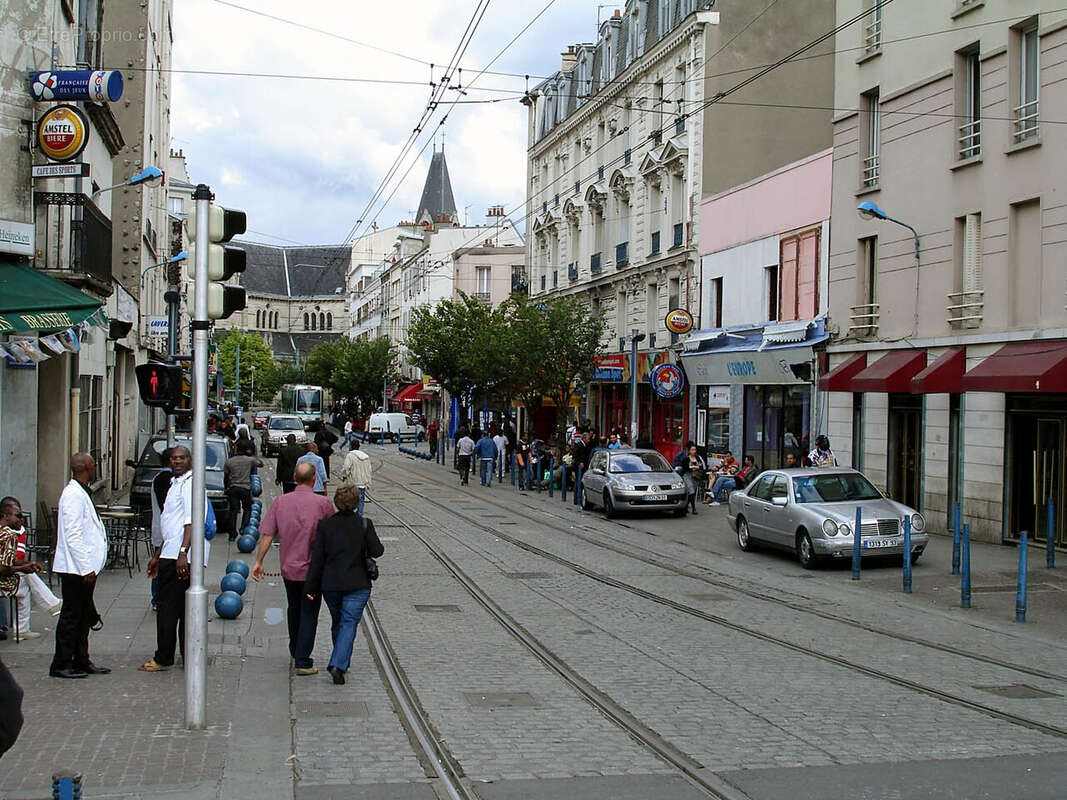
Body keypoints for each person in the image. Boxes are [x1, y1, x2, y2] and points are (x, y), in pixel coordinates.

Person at [251, 462, 335, 676]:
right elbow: (332, 537)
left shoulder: (281, 502)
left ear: (295, 479)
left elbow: (268, 534)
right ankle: (303, 660)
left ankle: (295, 648)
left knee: (294, 607)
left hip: (288, 568)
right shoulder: (324, 504)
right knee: (309, 612)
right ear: (314, 479)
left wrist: (259, 561)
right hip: (313, 571)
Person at [304, 485, 384, 685]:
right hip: (358, 584)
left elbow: (317, 560)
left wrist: (310, 587)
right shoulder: (365, 524)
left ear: (337, 503)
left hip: (331, 584)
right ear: (356, 502)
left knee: (338, 621)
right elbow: (377, 550)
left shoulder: (325, 526)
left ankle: (341, 660)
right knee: (348, 623)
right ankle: (339, 663)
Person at [139, 446, 210, 672]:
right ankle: (184, 656)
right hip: (169, 552)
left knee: (169, 609)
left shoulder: (190, 484)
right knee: (179, 609)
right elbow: (170, 525)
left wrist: (182, 553)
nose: (177, 462)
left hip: (179, 557)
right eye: (174, 458)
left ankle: (164, 657)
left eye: (182, 458)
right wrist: (158, 555)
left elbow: (191, 521)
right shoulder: (176, 483)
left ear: (191, 460)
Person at [50, 453, 109, 679]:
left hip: (83, 568)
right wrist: (86, 567)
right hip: (75, 569)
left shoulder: (82, 492)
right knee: (71, 616)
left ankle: (81, 660)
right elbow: (73, 535)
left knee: (84, 615)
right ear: (86, 467)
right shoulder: (73, 495)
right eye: (93, 464)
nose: (95, 467)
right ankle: (61, 663)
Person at [0, 497, 61, 640]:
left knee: (25, 584)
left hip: (6, 578)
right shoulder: (8, 535)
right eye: (18, 516)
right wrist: (23, 568)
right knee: (25, 578)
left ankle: (23, 629)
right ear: (5, 516)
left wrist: (26, 565)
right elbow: (3, 568)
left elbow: (10, 560)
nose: (21, 520)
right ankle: (52, 604)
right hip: (3, 582)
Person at [149, 448, 174, 610]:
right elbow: (166, 507)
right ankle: (158, 599)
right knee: (162, 565)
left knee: (160, 564)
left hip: (159, 529)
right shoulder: (168, 480)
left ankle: (158, 598)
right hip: (166, 531)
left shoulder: (157, 478)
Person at [224, 439, 263, 539]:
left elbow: (226, 476)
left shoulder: (229, 461)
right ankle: (243, 527)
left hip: (233, 487)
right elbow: (260, 463)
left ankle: (232, 533)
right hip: (245, 487)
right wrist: (252, 455)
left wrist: (226, 488)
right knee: (247, 508)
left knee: (233, 510)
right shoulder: (249, 460)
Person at [339, 439, 372, 517]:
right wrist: (367, 482)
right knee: (361, 500)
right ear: (359, 446)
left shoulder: (350, 456)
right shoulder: (366, 457)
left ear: (351, 446)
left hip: (352, 483)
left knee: (350, 500)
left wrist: (344, 476)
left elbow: (346, 468)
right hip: (362, 483)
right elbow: (369, 470)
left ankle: (350, 516)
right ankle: (359, 516)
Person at [673, 442, 705, 515]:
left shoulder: (697, 457)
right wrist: (694, 467)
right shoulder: (686, 458)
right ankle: (694, 508)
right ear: (689, 451)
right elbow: (685, 468)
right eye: (692, 450)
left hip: (696, 476)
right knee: (691, 491)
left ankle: (686, 506)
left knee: (691, 492)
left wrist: (694, 467)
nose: (694, 451)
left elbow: (701, 466)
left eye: (695, 450)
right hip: (687, 476)